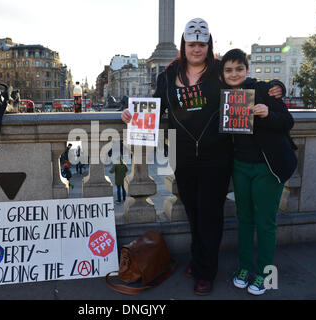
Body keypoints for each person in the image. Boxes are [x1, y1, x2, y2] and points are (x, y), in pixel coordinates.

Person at [121, 18, 284, 295]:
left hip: (216, 154)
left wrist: (276, 85)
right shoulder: (168, 74)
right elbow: (156, 105)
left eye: (202, 44)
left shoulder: (220, 71)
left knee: (210, 215)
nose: (196, 49)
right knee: (194, 213)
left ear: (209, 45)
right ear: (184, 45)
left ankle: (206, 271)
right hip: (181, 153)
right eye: (191, 44)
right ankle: (199, 260)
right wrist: (130, 114)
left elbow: (247, 81)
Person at [220, 49, 297, 295]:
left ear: (247, 69)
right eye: (229, 70)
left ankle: (264, 273)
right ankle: (244, 268)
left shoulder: (263, 90)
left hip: (267, 167)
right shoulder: (221, 96)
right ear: (223, 73)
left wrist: (267, 113)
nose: (234, 74)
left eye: (239, 69)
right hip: (240, 167)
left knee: (265, 222)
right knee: (244, 219)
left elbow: (287, 121)